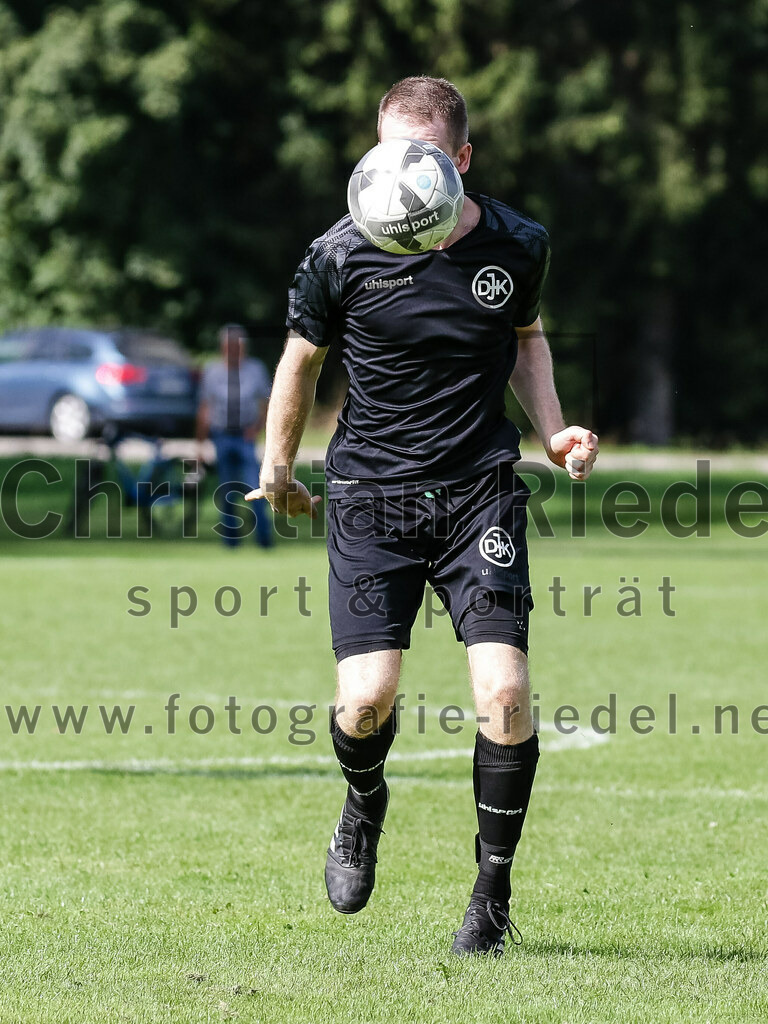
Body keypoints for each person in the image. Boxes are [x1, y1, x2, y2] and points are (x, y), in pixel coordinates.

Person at [246, 77, 598, 954]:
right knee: (365, 704)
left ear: (463, 161)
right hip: (371, 496)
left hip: (478, 486)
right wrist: (279, 468)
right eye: (387, 159)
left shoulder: (517, 244)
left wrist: (553, 434)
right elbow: (299, 363)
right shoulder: (339, 251)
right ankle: (364, 802)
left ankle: (491, 898)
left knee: (506, 693)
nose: (401, 180)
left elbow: (526, 339)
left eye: (426, 162)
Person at [197, 323, 273, 548]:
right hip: (221, 435)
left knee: (255, 487)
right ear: (223, 348)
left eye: (238, 347)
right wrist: (200, 445)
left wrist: (257, 428)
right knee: (227, 489)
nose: (234, 351)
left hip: (245, 436)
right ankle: (231, 541)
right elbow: (204, 408)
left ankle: (264, 539)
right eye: (229, 347)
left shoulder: (255, 369)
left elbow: (266, 403)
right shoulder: (212, 371)